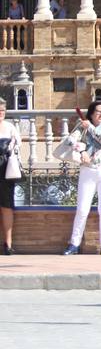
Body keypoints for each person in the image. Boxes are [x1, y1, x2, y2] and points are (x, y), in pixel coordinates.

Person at [63, 101, 101, 256]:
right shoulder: (83, 126)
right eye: (98, 111)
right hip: (88, 170)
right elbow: (70, 140)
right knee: (82, 208)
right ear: (92, 112)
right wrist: (81, 151)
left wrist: (90, 128)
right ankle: (74, 244)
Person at [0, 102, 21, 255]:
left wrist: (13, 145)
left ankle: (8, 244)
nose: (1, 112)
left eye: (2, 110)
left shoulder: (10, 127)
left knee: (7, 207)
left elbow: (18, 146)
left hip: (5, 171)